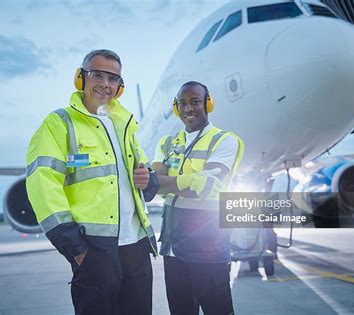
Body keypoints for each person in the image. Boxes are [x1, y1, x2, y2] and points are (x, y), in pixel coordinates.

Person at [26, 49, 158, 315]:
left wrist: (149, 180)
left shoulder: (125, 126)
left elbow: (146, 179)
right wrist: (76, 248)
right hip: (94, 248)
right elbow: (43, 185)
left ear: (120, 87)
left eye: (113, 79)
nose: (105, 84)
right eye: (98, 75)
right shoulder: (60, 123)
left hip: (136, 247)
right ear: (81, 78)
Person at [152, 81, 244, 315]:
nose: (188, 109)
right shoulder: (167, 143)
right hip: (173, 249)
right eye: (182, 103)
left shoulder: (224, 140)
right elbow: (152, 186)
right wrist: (190, 181)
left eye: (194, 102)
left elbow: (206, 187)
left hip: (208, 249)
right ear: (176, 108)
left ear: (208, 104)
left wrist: (166, 183)